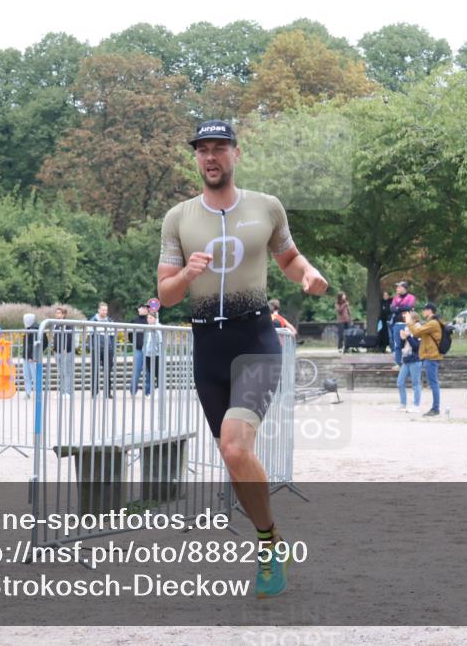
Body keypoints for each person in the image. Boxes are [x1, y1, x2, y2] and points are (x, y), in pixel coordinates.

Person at [157, 119, 328, 599]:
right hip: (207, 346)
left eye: (219, 148)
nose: (210, 157)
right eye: (202, 149)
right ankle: (270, 538)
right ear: (196, 157)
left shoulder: (266, 208)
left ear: (236, 153)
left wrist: (308, 276)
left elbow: (290, 258)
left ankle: (267, 546)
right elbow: (165, 296)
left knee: (235, 446)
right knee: (232, 459)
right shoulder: (179, 218)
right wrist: (187, 275)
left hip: (255, 340)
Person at [408, 304, 443, 416]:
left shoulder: (433, 323)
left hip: (431, 356)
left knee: (433, 383)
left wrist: (409, 322)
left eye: (424, 310)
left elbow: (416, 332)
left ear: (429, 311)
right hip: (429, 356)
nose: (422, 312)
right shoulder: (432, 322)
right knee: (433, 383)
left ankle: (436, 408)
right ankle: (435, 408)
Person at [394, 311, 423, 413]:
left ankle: (416, 405)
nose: (406, 320)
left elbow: (416, 346)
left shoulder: (418, 329)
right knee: (400, 382)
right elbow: (402, 346)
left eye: (408, 318)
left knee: (415, 383)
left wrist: (408, 337)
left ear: (414, 320)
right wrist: (402, 338)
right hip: (406, 359)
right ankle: (403, 404)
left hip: (415, 359)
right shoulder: (407, 328)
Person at [90, 302, 116, 397]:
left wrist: (112, 350)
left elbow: (112, 337)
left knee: (108, 371)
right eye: (103, 310)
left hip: (108, 350)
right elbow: (90, 336)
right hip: (96, 349)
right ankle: (94, 392)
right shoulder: (92, 321)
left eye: (106, 310)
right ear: (99, 310)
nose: (104, 312)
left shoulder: (110, 321)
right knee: (95, 371)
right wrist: (92, 348)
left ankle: (107, 392)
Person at [389, 282, 416, 366]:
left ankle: (410, 361)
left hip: (407, 324)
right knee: (397, 345)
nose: (397, 289)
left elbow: (409, 307)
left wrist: (398, 308)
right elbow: (392, 309)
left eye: (398, 287)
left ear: (404, 288)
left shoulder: (411, 297)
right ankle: (398, 363)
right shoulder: (395, 298)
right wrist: (400, 308)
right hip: (397, 324)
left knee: (409, 343)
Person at [22, 313, 47, 399]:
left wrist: (35, 354)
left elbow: (44, 343)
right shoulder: (28, 329)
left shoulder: (37, 329)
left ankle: (38, 393)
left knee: (35, 375)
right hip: (26, 356)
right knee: (27, 375)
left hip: (32, 357)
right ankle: (28, 393)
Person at [52, 306, 75, 396]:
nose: (56, 314)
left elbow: (69, 337)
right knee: (61, 372)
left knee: (67, 372)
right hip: (57, 351)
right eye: (56, 312)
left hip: (66, 352)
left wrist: (66, 348)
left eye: (58, 313)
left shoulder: (68, 324)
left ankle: (68, 392)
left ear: (63, 314)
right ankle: (62, 391)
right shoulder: (56, 324)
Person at [129, 304, 150, 396]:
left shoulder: (150, 320)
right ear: (138, 309)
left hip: (149, 349)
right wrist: (135, 343)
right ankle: (133, 391)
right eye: (142, 308)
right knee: (136, 370)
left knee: (149, 371)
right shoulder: (134, 321)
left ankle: (148, 391)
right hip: (138, 349)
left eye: (146, 308)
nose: (144, 309)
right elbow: (129, 334)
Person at [141, 312, 162, 396]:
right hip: (147, 354)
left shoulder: (159, 327)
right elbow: (145, 340)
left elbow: (161, 340)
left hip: (156, 354)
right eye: (148, 318)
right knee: (150, 373)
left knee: (157, 373)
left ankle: (158, 390)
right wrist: (144, 350)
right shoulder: (146, 328)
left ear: (155, 318)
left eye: (151, 318)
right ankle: (150, 391)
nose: (149, 320)